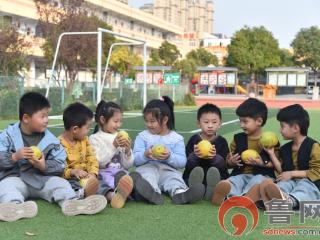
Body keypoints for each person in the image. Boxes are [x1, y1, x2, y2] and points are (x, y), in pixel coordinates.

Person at [0, 92, 106, 222]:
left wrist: (43, 166)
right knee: (6, 187)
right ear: (26, 118)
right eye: (42, 116)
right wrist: (14, 156)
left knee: (60, 183)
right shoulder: (7, 136)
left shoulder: (51, 141)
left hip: (41, 179)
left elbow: (60, 164)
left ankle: (73, 202)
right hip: (16, 178)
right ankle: (14, 206)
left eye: (47, 115)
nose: (47, 120)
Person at [133, 96, 205, 205]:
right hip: (148, 167)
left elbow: (181, 162)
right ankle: (151, 193)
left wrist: (169, 157)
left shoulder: (176, 138)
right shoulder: (142, 137)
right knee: (147, 176)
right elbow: (135, 160)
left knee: (174, 178)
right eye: (146, 121)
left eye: (152, 121)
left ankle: (180, 193)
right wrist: (145, 155)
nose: (148, 124)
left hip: (168, 170)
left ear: (165, 120)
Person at [212, 98, 279, 205]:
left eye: (245, 121)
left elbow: (276, 164)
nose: (241, 125)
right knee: (234, 181)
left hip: (262, 174)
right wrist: (231, 162)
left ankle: (245, 196)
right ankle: (227, 194)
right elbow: (229, 162)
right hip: (241, 173)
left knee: (258, 181)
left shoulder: (270, 140)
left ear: (259, 121)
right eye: (240, 121)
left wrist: (262, 163)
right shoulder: (237, 139)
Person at [259, 104, 320, 209]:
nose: (280, 130)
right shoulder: (285, 148)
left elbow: (317, 171)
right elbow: (283, 171)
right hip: (292, 181)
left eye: (282, 126)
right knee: (283, 184)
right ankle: (276, 198)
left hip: (311, 182)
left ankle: (290, 201)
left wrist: (292, 173)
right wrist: (272, 154)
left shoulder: (314, 146)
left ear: (295, 128)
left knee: (305, 186)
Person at [89, 100, 133, 208]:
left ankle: (131, 190)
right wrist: (113, 146)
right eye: (115, 121)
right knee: (105, 181)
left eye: (120, 121)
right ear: (103, 120)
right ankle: (120, 194)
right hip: (105, 173)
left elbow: (128, 165)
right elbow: (99, 162)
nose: (118, 125)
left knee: (130, 176)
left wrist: (127, 151)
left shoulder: (120, 136)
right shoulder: (94, 138)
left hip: (121, 172)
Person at [182, 103, 229, 200]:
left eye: (214, 122)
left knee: (220, 178)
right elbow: (187, 163)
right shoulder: (194, 140)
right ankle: (195, 188)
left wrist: (214, 158)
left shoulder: (222, 141)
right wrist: (195, 156)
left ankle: (212, 189)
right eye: (206, 122)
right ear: (199, 123)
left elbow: (224, 165)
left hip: (214, 175)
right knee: (191, 175)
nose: (210, 126)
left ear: (220, 124)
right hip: (196, 173)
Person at [59, 102, 100, 199]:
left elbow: (92, 158)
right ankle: (80, 196)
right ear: (75, 129)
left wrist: (92, 173)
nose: (89, 130)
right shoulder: (58, 144)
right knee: (68, 185)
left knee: (100, 181)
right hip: (71, 179)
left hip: (88, 177)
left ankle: (110, 195)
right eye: (87, 128)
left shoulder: (85, 140)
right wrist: (73, 172)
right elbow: (59, 169)